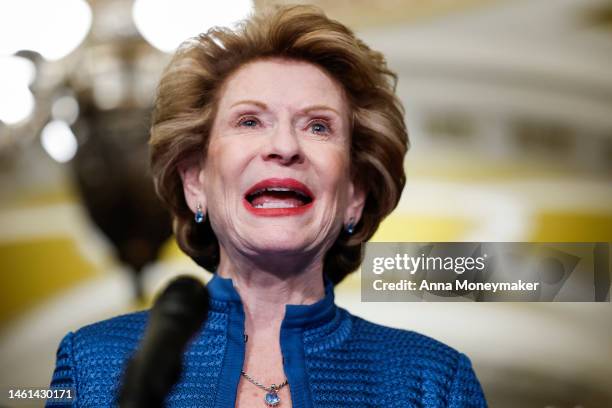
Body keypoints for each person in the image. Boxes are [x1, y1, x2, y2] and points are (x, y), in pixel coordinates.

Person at [47, 5, 487, 407]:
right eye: (250, 120)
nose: (283, 146)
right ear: (196, 182)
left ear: (355, 195)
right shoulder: (91, 366)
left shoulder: (433, 381)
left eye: (317, 126)